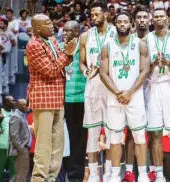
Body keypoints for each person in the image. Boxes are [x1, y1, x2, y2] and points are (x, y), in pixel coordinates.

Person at [99, 11, 150, 182]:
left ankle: (142, 175)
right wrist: (117, 92)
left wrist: (129, 92)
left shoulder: (140, 44)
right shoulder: (107, 45)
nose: (122, 24)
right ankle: (114, 176)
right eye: (119, 22)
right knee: (114, 138)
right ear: (115, 24)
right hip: (115, 97)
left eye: (125, 22)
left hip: (134, 97)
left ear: (131, 24)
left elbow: (145, 71)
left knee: (139, 136)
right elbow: (103, 73)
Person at [26, 13, 77, 182]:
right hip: (43, 98)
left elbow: (61, 63)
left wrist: (69, 54)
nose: (52, 26)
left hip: (57, 96)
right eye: (47, 24)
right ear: (38, 28)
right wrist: (67, 55)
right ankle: (38, 179)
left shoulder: (51, 39)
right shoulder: (33, 45)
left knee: (58, 144)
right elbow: (51, 70)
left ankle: (51, 178)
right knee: (44, 144)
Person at [143, 8, 170, 182]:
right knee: (155, 133)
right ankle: (158, 174)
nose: (158, 19)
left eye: (161, 16)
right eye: (156, 16)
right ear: (153, 20)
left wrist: (168, 63)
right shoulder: (145, 40)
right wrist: (151, 65)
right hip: (153, 86)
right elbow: (142, 69)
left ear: (168, 19)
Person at [78, 1, 114, 181]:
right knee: (92, 134)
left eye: (97, 14)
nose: (93, 18)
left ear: (106, 14)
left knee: (110, 133)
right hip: (92, 88)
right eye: (91, 15)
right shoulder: (85, 36)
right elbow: (81, 63)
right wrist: (86, 72)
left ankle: (108, 175)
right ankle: (92, 175)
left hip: (111, 89)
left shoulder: (116, 33)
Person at [123, 8, 151, 181]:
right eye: (138, 17)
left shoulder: (155, 39)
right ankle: (129, 171)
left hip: (153, 88)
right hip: (133, 90)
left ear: (149, 19)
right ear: (134, 20)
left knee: (153, 133)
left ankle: (153, 170)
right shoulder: (128, 40)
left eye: (144, 17)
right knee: (131, 133)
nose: (141, 20)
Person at [59, 20, 88, 182]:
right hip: (63, 100)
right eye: (63, 31)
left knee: (79, 138)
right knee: (64, 138)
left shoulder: (84, 49)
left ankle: (76, 175)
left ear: (77, 33)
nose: (65, 33)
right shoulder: (61, 49)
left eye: (69, 31)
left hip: (81, 99)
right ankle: (63, 173)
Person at [8, 98, 32, 182]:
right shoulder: (16, 116)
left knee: (20, 173)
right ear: (18, 106)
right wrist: (21, 149)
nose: (27, 107)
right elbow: (14, 135)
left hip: (24, 149)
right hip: (21, 150)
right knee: (22, 174)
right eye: (25, 105)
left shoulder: (21, 115)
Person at [0, 95, 16, 181]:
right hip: (1, 148)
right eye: (12, 101)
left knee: (15, 171)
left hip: (12, 148)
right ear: (6, 102)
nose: (14, 102)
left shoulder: (14, 114)